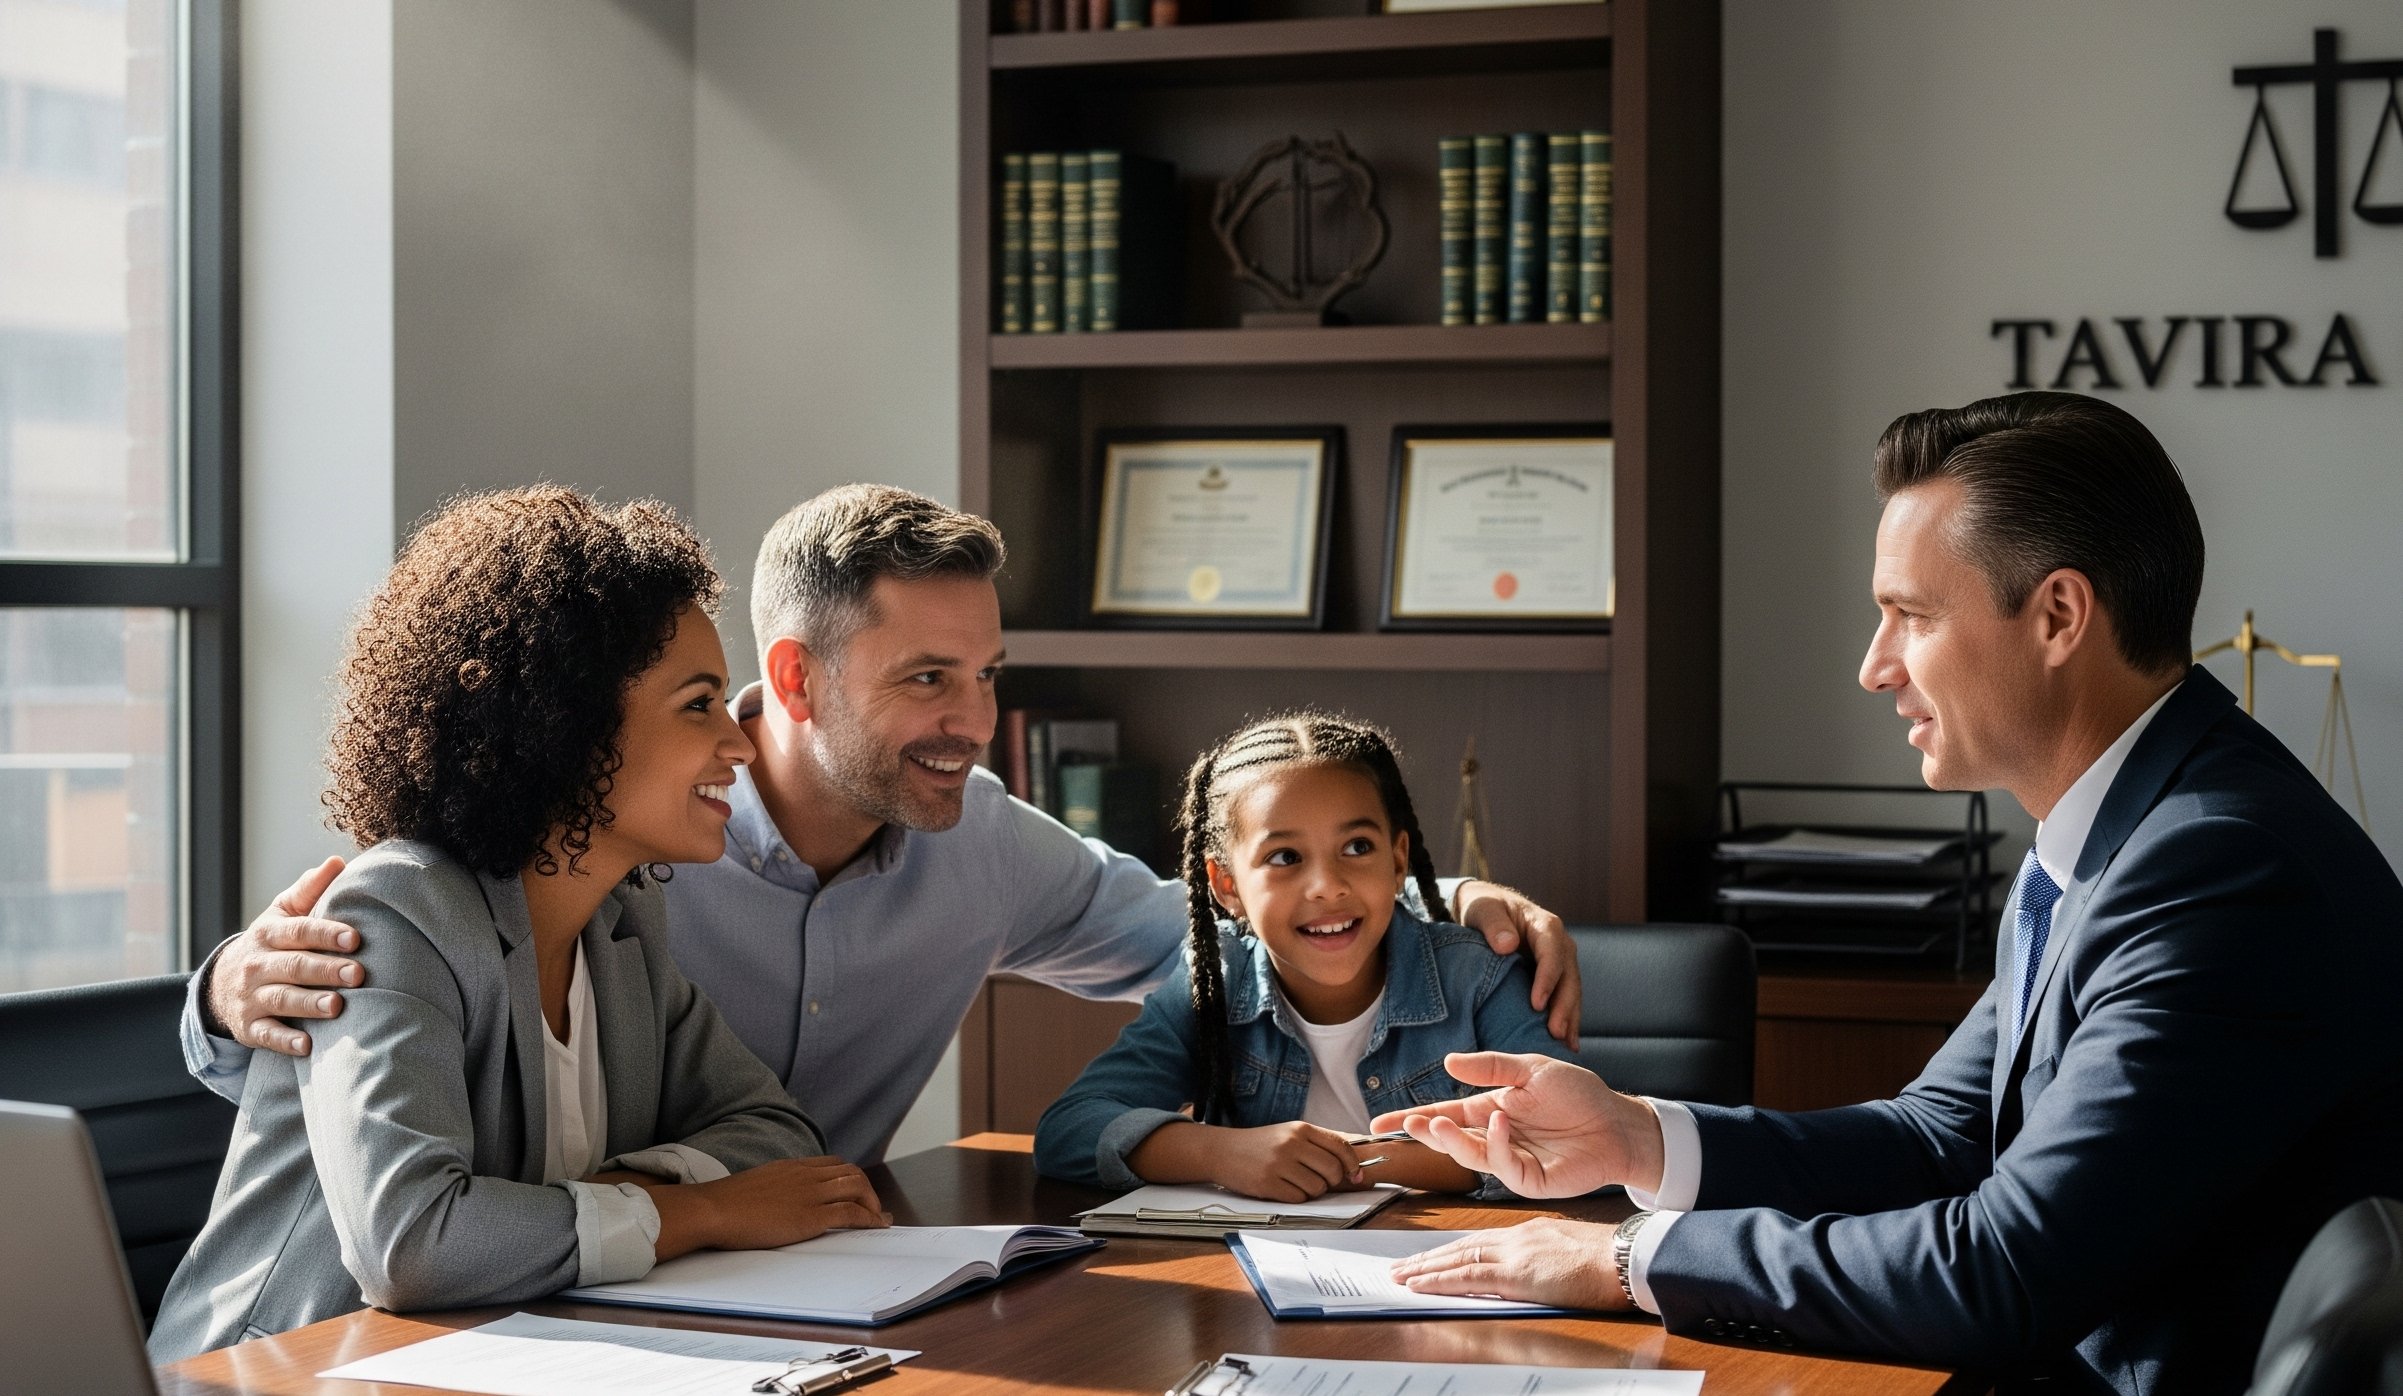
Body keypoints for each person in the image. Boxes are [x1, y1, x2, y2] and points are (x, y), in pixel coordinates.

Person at [1371, 393, 2403, 1396]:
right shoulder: (2125, 824)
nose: (1875, 664)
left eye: (1910, 614)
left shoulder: (2220, 869)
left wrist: (1627, 1260)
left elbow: (2007, 1270)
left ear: (2058, 616)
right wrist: (1634, 1138)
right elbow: (1940, 1137)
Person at [182, 485, 1584, 1165]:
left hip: (789, 1295)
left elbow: (1237, 920)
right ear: (789, 679)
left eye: (985, 679)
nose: (972, 725)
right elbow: (368, 1015)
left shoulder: (983, 841)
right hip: (546, 1308)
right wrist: (226, 994)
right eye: (926, 681)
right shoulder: (609, 844)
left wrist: (1443, 895)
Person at [150, 490, 885, 1360]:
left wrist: (607, 1198)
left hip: (496, 1356)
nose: (737, 743)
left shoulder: (622, 924)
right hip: (283, 1372)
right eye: (699, 704)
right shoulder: (393, 918)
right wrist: (699, 1210)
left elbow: (776, 1134)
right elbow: (412, 1246)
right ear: (567, 730)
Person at [1034, 713, 1573, 1198]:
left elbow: (1563, 1138)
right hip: (1265, 1278)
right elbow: (1070, 1129)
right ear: (1225, 885)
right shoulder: (1216, 980)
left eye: (1357, 847)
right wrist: (1220, 1151)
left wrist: (1352, 1162)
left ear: (1397, 857)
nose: (1327, 886)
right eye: (1285, 857)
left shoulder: (1479, 977)